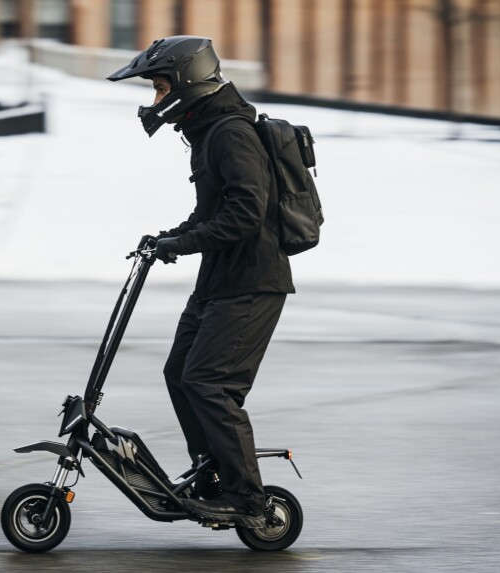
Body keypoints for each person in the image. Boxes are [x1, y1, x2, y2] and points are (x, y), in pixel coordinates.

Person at [108, 36, 294, 527]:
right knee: (180, 373)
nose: (155, 100)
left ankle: (247, 499)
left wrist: (184, 245)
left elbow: (247, 214)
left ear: (188, 83)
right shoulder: (209, 131)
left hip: (252, 283)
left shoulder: (230, 133)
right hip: (221, 281)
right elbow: (212, 211)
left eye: (160, 87)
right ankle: (212, 472)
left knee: (210, 383)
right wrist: (169, 237)